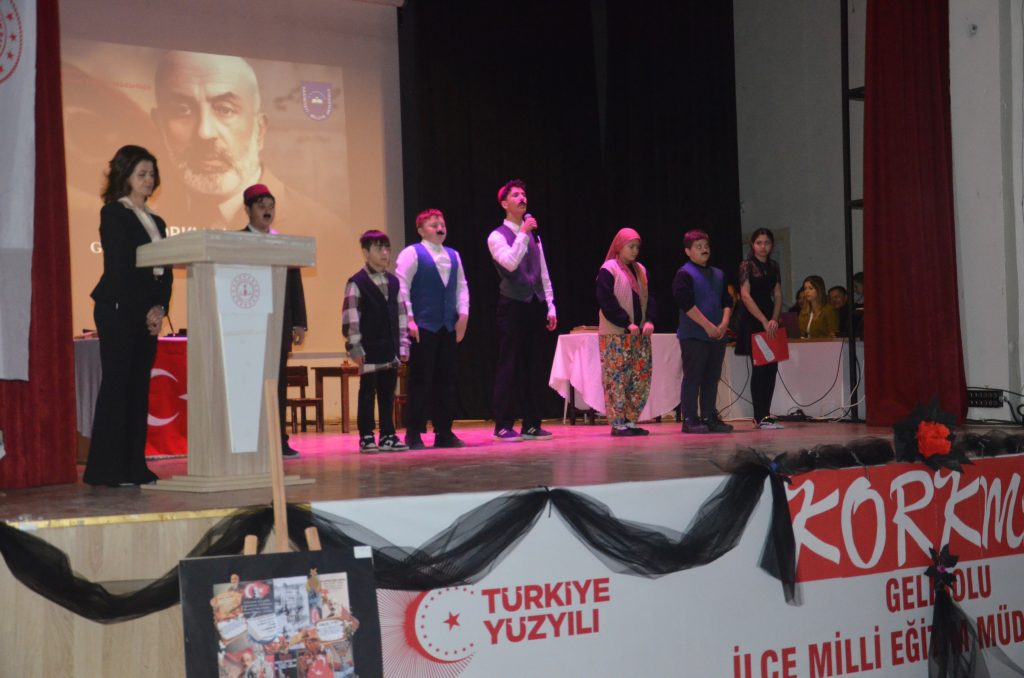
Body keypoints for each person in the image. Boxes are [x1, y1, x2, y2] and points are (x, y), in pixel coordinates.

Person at [151, 50, 333, 232]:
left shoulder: (323, 228)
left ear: (260, 130)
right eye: (182, 110)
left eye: (225, 110)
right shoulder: (148, 217)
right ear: (160, 126)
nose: (204, 132)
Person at [83, 145, 172, 486]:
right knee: (118, 386)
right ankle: (106, 470)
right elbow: (121, 267)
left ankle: (134, 466)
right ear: (126, 176)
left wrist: (160, 308)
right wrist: (145, 309)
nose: (149, 180)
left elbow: (164, 271)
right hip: (118, 309)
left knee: (138, 388)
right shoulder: (114, 213)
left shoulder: (157, 221)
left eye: (152, 174)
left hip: (146, 312)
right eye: (142, 174)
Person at [240, 184, 307, 457]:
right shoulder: (237, 241)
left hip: (278, 323)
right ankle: (250, 441)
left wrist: (299, 322)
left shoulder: (282, 242)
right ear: (248, 210)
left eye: (271, 206)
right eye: (261, 206)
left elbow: (295, 284)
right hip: (247, 327)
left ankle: (278, 440)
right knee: (249, 384)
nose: (267, 211)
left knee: (277, 384)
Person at [487, 179, 557, 442]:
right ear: (504, 203)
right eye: (515, 195)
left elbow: (543, 271)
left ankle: (532, 423)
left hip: (534, 304)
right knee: (510, 364)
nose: (522, 198)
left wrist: (550, 305)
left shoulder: (533, 235)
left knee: (533, 365)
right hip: (513, 304)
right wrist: (523, 233)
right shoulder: (497, 236)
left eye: (524, 194)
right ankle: (503, 424)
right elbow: (510, 263)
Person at [395, 209, 469, 449]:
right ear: (420, 230)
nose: (439, 227)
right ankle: (413, 432)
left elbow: (461, 287)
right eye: (433, 224)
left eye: (442, 223)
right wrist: (410, 319)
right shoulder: (412, 253)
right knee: (420, 379)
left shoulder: (454, 255)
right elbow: (402, 287)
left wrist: (463, 315)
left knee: (446, 379)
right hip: (423, 326)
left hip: (447, 325)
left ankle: (444, 431)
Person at [342, 230, 410, 453]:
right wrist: (355, 346)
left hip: (389, 347)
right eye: (378, 248)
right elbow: (351, 316)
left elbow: (401, 314)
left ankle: (388, 434)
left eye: (387, 248)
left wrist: (403, 343)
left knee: (388, 392)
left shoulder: (393, 282)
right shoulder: (357, 282)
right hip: (369, 348)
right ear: (365, 252)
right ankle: (366, 434)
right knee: (367, 392)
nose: (384, 253)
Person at [672, 229, 733, 434]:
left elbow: (727, 301)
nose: (704, 249)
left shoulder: (719, 274)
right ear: (687, 251)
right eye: (698, 247)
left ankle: (709, 416)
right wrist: (707, 326)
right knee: (693, 377)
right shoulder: (684, 274)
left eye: (706, 246)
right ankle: (690, 418)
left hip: (717, 335)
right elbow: (686, 304)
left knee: (712, 377)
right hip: (694, 336)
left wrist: (724, 324)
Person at [596, 228, 655, 436]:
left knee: (638, 378)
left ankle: (630, 421)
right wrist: (626, 323)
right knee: (616, 379)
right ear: (619, 247)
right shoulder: (609, 269)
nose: (635, 251)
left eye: (637, 247)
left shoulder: (641, 270)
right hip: (616, 335)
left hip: (639, 336)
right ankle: (618, 423)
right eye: (631, 246)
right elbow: (606, 301)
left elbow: (650, 297)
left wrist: (649, 320)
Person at [735, 228, 784, 430]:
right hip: (753, 319)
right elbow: (745, 295)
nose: (763, 247)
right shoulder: (746, 265)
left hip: (770, 318)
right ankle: (759, 416)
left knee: (772, 367)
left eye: (767, 243)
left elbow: (778, 295)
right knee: (760, 368)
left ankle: (766, 414)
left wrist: (774, 318)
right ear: (752, 245)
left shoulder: (774, 266)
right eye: (759, 243)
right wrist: (763, 320)